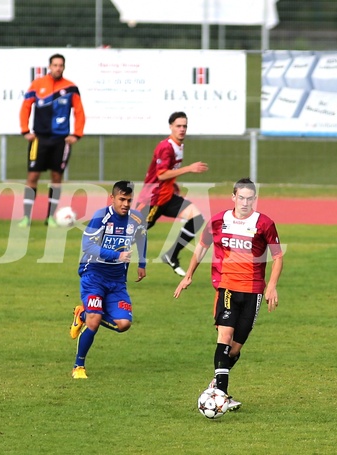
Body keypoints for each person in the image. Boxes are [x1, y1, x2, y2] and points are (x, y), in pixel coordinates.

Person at [173, 178, 283, 411]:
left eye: (249, 198)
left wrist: (271, 285)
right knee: (225, 335)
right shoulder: (218, 221)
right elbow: (202, 246)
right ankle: (220, 395)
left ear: (255, 199)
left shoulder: (264, 224)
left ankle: (216, 385)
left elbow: (278, 257)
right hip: (227, 286)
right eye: (240, 197)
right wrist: (189, 274)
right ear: (233, 197)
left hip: (253, 291)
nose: (244, 202)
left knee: (234, 349)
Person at [69, 180, 147, 379]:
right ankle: (79, 367)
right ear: (112, 198)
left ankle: (82, 314)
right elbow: (88, 246)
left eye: (129, 200)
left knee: (124, 324)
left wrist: (142, 264)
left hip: (117, 281)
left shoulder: (136, 219)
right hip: (93, 275)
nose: (126, 204)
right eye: (122, 199)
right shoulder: (101, 217)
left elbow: (141, 237)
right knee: (95, 322)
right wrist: (116, 255)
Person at [135, 111, 209, 277]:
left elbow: (168, 173)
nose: (182, 129)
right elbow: (161, 174)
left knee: (197, 219)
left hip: (167, 196)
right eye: (178, 126)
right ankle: (104, 257)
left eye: (184, 126)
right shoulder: (166, 147)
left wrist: (173, 184)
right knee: (134, 233)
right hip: (153, 199)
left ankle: (171, 255)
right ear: (171, 127)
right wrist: (189, 168)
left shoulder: (179, 146)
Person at [18, 53, 85, 228]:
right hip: (39, 139)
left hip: (60, 140)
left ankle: (50, 217)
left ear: (64, 67)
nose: (58, 68)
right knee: (33, 176)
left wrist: (76, 134)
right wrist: (25, 130)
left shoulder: (71, 88)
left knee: (56, 177)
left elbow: (79, 112)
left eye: (61, 65)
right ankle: (26, 217)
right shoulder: (37, 85)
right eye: (55, 65)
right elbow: (25, 107)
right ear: (50, 67)